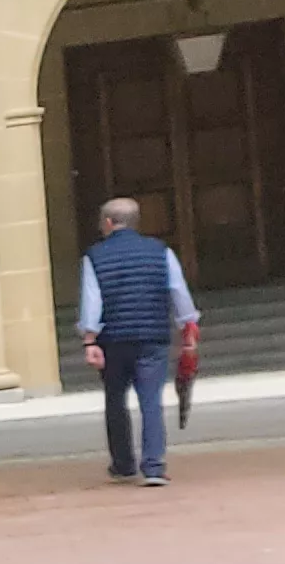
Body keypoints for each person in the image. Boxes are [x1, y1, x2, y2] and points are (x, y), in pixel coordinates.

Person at [78, 196, 201, 487]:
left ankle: (123, 463)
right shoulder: (160, 251)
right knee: (151, 401)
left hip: (114, 340)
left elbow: (91, 302)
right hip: (152, 336)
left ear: (108, 223)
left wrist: (90, 340)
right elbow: (178, 291)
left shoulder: (94, 256)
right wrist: (188, 325)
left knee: (115, 399)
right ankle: (154, 466)